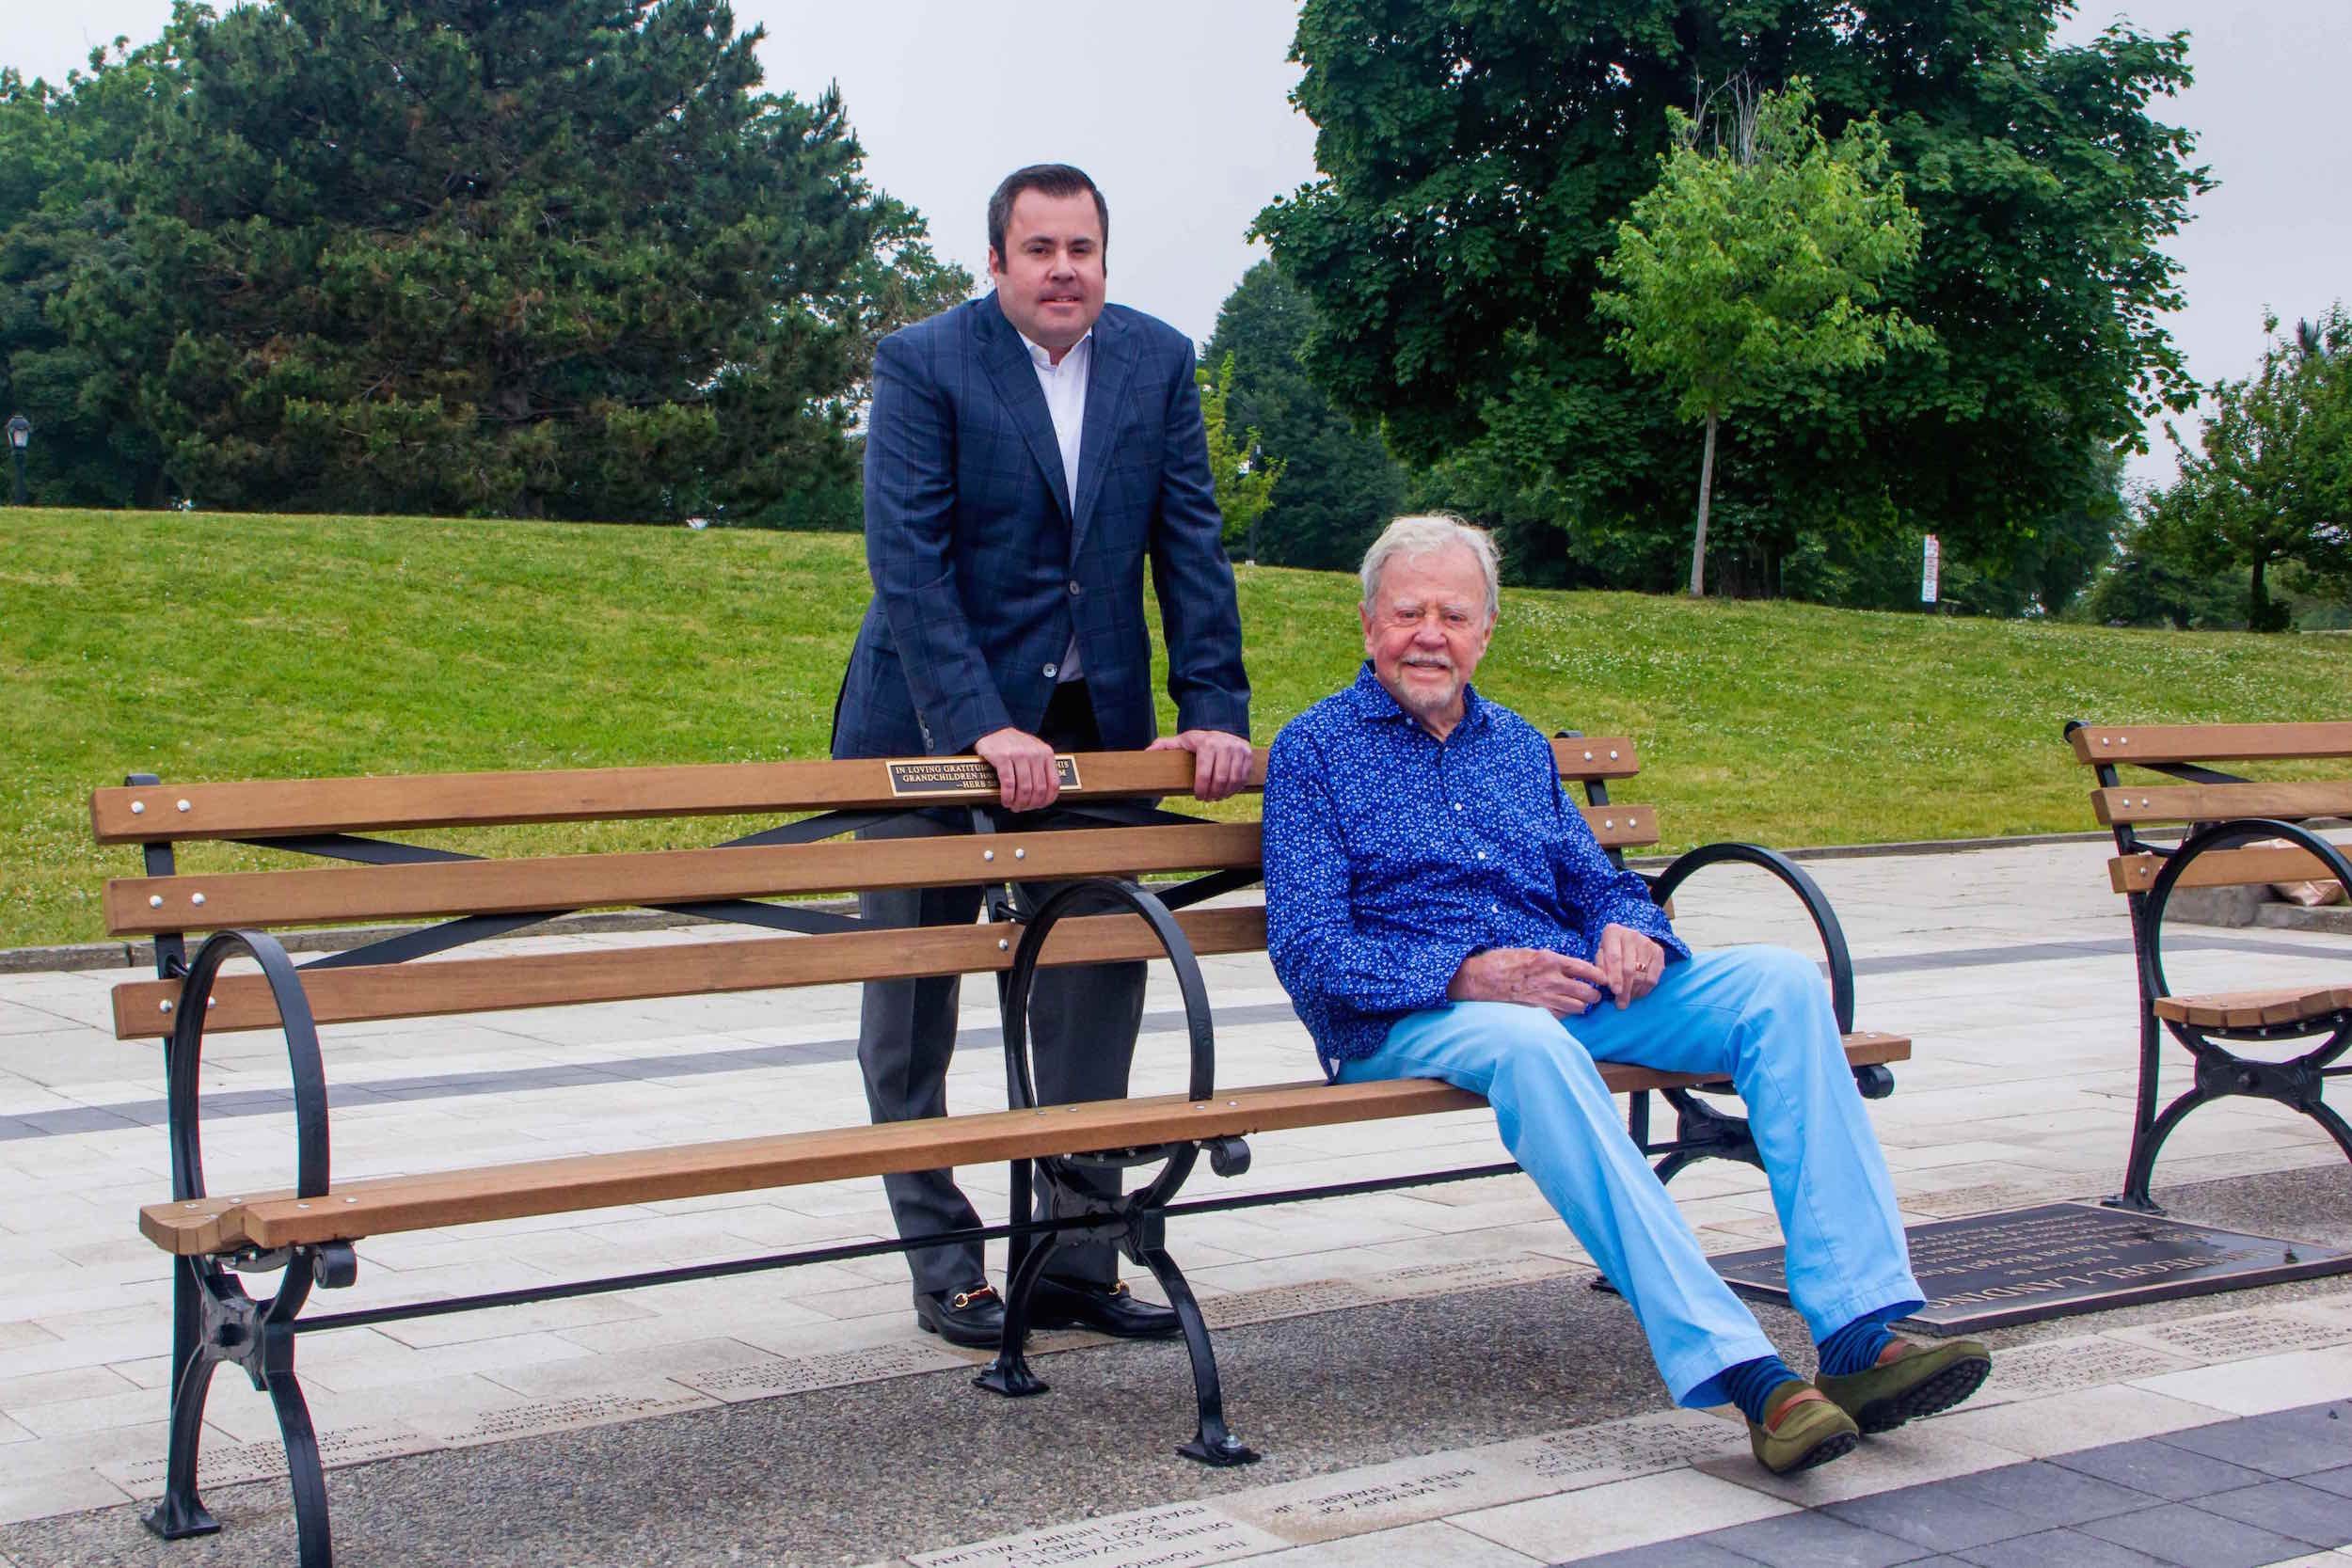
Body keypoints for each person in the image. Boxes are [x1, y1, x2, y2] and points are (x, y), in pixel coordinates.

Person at [1261, 515, 1988, 1474]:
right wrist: (1470, 974)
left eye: (1453, 613)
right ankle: (1747, 1372)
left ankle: (1858, 1327)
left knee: (1774, 980)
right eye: (1407, 612)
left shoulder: (1515, 745)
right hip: (1408, 1013)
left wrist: (1630, 927)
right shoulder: (1314, 750)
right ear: (1367, 625)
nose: (1428, 632)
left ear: (1485, 633)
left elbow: (1597, 881)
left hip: (1567, 987)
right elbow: (1308, 946)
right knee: (1532, 1047)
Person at [832, 164, 1251, 1349]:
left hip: (1090, 729)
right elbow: (907, 564)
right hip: (924, 724)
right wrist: (982, 721)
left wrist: (1210, 703)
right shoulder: (926, 362)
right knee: (914, 1001)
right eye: (1039, 248)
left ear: (1104, 262)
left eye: (1083, 247)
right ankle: (943, 1258)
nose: (1063, 267)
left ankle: (1074, 1253)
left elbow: (1190, 546)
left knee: (1095, 976)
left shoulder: (1156, 362)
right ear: (998, 263)